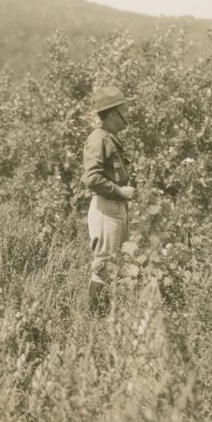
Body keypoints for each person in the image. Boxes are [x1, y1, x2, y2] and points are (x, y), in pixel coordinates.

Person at [81, 85, 136, 314]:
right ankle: (95, 324)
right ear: (113, 113)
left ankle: (108, 321)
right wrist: (120, 192)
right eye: (125, 108)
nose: (128, 112)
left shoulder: (110, 138)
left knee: (115, 266)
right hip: (106, 209)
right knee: (103, 267)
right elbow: (91, 178)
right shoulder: (98, 138)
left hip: (115, 208)